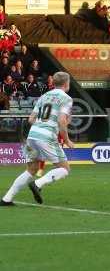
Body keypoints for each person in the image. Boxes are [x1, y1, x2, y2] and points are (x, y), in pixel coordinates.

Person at [0, 72, 75, 206]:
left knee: (31, 169)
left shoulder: (43, 96)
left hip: (33, 135)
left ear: (54, 83)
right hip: (47, 137)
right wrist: (67, 140)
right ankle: (37, 184)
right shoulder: (66, 98)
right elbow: (61, 121)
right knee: (64, 168)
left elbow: (31, 119)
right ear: (66, 84)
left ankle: (7, 198)